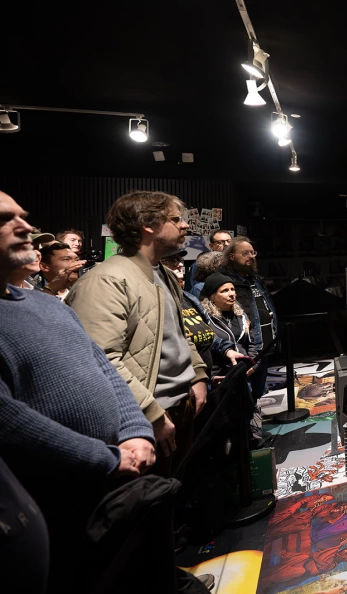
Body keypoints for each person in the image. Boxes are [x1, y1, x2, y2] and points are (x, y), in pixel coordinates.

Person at [0, 190, 156, 592]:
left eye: (23, 216)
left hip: (112, 477)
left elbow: (104, 368)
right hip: (48, 497)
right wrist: (104, 457)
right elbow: (8, 420)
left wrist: (135, 429)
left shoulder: (48, 305)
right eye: (5, 219)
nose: (26, 227)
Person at [66, 190, 209, 478]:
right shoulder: (105, 279)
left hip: (179, 405)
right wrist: (150, 414)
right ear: (147, 225)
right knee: (153, 498)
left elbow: (178, 332)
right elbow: (100, 360)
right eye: (176, 219)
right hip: (147, 416)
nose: (185, 225)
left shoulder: (162, 273)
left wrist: (198, 375)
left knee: (179, 490)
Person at [219, 236, 277, 399]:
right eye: (245, 253)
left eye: (253, 253)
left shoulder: (254, 278)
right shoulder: (227, 282)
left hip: (265, 345)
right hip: (248, 349)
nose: (251, 256)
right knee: (246, 395)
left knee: (258, 393)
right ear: (232, 256)